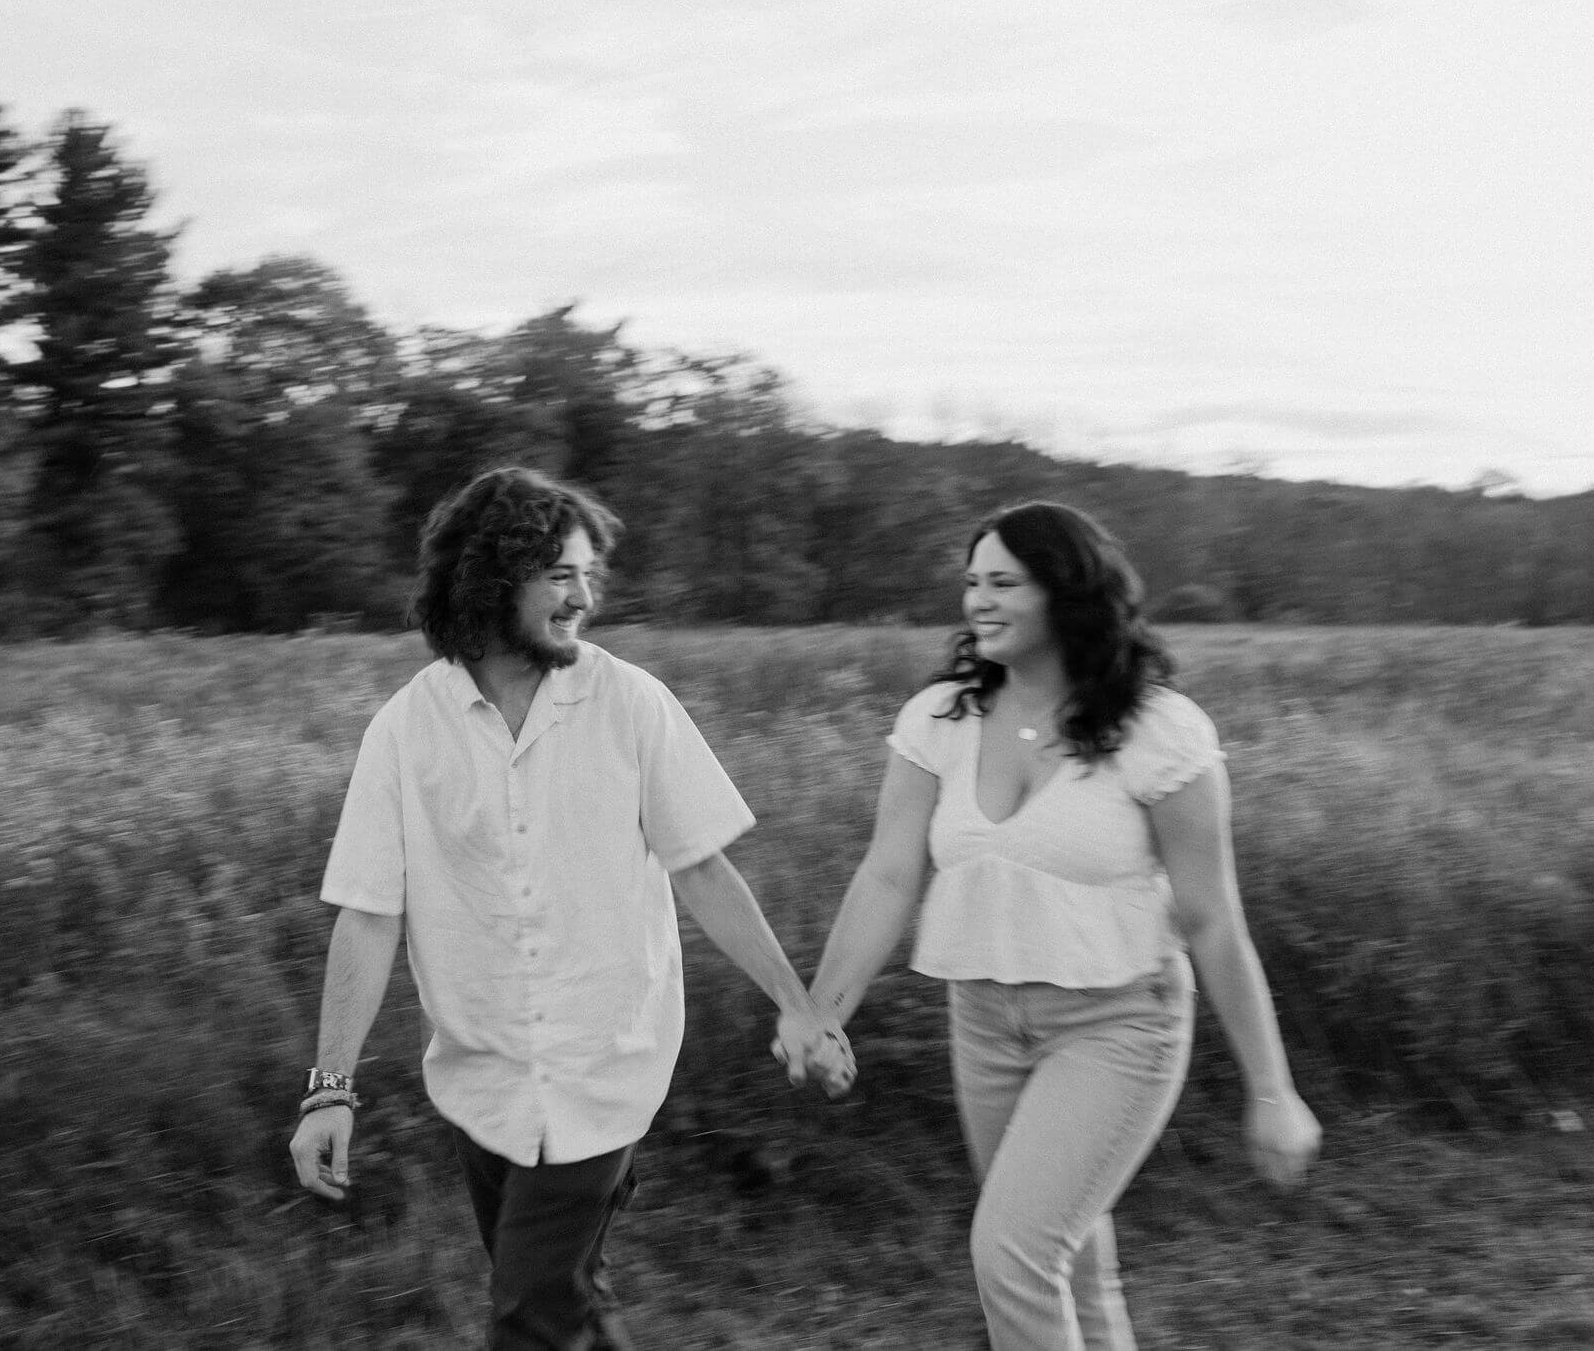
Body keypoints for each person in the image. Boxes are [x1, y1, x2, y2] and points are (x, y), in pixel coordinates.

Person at [289, 466, 853, 1350]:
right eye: (560, 574)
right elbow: (367, 915)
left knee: (528, 1317)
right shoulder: (405, 728)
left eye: (589, 574)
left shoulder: (631, 703)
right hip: (482, 1078)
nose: (584, 596)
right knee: (567, 1306)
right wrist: (330, 1090)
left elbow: (701, 867)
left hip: (604, 1068)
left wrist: (798, 1002)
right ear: (491, 576)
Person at [793, 501, 1321, 1350]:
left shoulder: (1160, 729)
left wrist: (1272, 1088)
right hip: (985, 1021)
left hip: (1119, 1022)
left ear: (1066, 593)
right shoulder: (938, 718)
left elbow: (1212, 918)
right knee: (1066, 1258)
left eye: (1004, 582)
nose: (978, 600)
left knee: (1012, 1250)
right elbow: (889, 874)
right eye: (971, 582)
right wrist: (821, 1010)